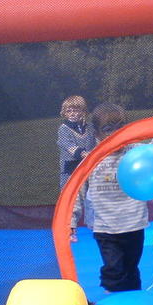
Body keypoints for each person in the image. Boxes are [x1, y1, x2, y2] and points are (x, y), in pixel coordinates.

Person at [85, 102, 149, 292]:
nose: (116, 134)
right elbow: (78, 190)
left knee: (131, 266)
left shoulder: (134, 150)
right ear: (97, 134)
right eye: (108, 129)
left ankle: (134, 295)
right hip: (106, 227)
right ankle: (113, 294)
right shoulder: (93, 158)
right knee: (114, 267)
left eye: (120, 127)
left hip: (133, 223)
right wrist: (71, 220)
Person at [57, 95, 96, 241]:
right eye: (69, 111)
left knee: (91, 198)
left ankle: (95, 226)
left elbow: (96, 142)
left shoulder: (89, 128)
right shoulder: (63, 129)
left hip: (88, 169)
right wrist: (84, 154)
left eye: (76, 110)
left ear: (83, 111)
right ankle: (70, 231)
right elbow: (68, 145)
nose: (72, 113)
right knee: (73, 202)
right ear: (64, 113)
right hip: (71, 172)